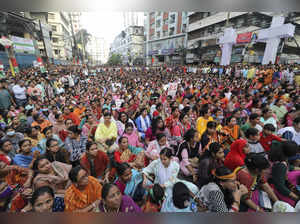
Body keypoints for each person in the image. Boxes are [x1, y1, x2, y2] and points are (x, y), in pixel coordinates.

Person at [268, 141, 300, 206]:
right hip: (277, 190)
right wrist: (295, 197)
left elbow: (288, 167)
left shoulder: (280, 156)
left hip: (280, 183)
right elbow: (280, 186)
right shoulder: (280, 166)